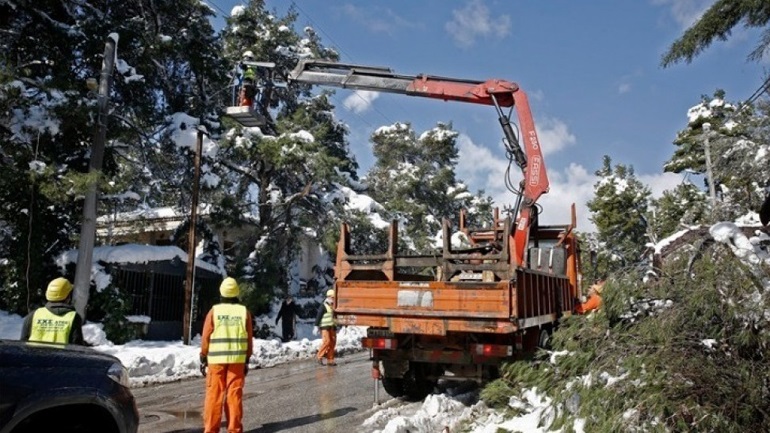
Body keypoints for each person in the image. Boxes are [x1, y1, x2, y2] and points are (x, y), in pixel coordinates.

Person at [200, 277, 254, 433]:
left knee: (214, 395)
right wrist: (247, 358)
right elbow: (249, 338)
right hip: (237, 361)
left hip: (216, 361)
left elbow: (206, 336)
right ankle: (234, 429)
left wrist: (203, 355)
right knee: (234, 395)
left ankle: (211, 429)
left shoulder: (214, 311)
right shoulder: (244, 312)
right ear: (237, 293)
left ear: (221, 292)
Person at [20, 277, 84, 345]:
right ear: (68, 297)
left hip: (34, 355)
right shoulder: (73, 317)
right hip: (62, 355)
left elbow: (23, 344)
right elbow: (77, 348)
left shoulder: (33, 316)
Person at [313, 289, 337, 366]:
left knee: (332, 343)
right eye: (332, 297)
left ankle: (330, 360)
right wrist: (316, 326)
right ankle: (319, 356)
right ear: (328, 297)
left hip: (332, 327)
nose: (333, 299)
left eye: (334, 297)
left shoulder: (334, 306)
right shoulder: (323, 306)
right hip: (325, 327)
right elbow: (318, 316)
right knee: (327, 341)